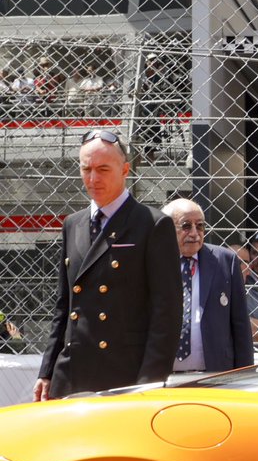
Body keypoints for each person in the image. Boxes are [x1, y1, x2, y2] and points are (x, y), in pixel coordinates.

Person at [34, 129, 181, 400]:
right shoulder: (73, 224)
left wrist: (149, 384)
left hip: (123, 378)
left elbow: (166, 313)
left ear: (125, 170)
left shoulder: (152, 224)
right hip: (71, 375)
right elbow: (64, 305)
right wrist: (47, 371)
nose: (92, 178)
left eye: (102, 169)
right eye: (86, 169)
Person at [163, 198, 254, 372]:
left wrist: (246, 376)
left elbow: (241, 325)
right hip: (163, 377)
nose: (195, 233)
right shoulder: (154, 260)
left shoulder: (225, 261)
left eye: (200, 226)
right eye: (186, 226)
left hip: (215, 374)